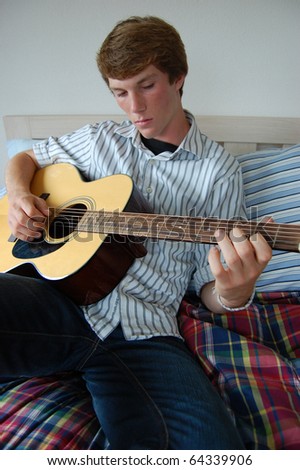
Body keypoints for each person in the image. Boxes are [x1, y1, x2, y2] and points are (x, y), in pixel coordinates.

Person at [0, 16, 272, 449]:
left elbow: (210, 290)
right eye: (119, 92)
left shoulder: (218, 171)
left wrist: (234, 291)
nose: (134, 107)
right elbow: (26, 159)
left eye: (147, 86)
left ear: (179, 77)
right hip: (53, 298)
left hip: (144, 330)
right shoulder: (97, 139)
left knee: (208, 447)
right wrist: (17, 195)